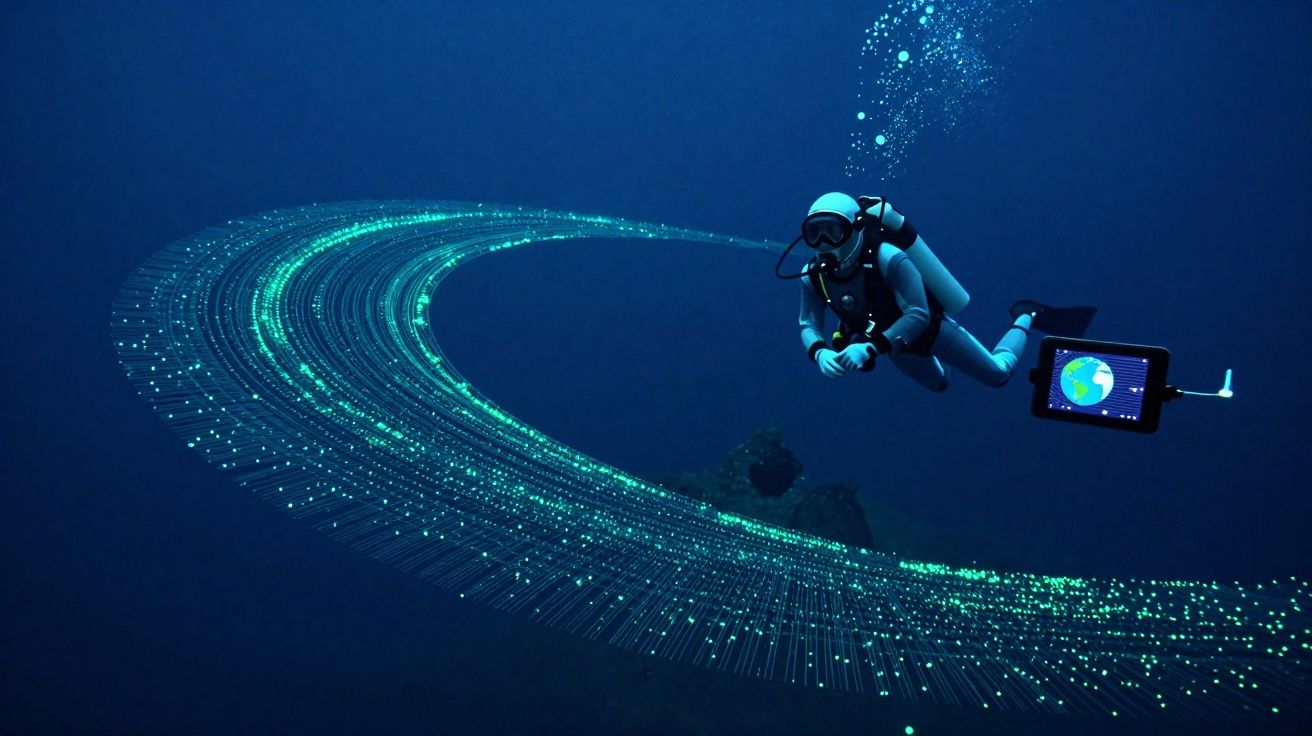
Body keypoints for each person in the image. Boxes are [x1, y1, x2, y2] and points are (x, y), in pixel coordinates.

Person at [778, 192, 1094, 391]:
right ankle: (956, 360)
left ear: (856, 228)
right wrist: (819, 353)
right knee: (940, 384)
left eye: (832, 232)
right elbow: (808, 323)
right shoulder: (813, 275)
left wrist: (869, 349)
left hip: (931, 333)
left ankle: (1026, 314)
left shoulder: (890, 258)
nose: (822, 244)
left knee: (998, 376)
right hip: (895, 348)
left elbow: (918, 313)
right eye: (813, 233)